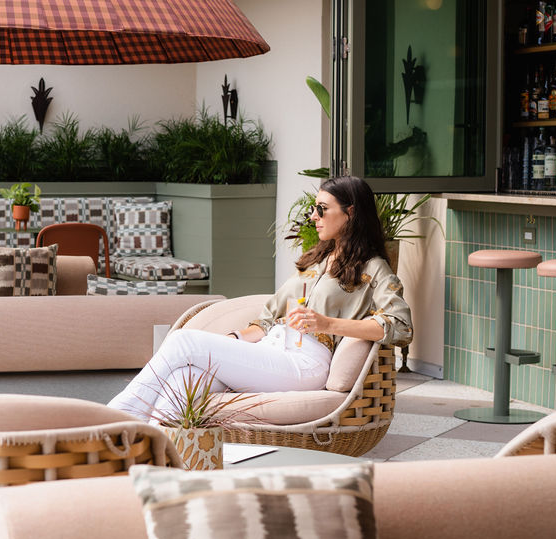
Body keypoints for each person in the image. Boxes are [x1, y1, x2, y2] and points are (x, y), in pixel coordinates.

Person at [108, 175, 413, 420]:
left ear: (351, 212)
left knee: (182, 341)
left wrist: (327, 323)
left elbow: (400, 325)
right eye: (314, 208)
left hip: (306, 362)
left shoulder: (374, 267)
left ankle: (112, 420)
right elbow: (266, 321)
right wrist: (233, 339)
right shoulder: (318, 259)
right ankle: (150, 456)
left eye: (322, 208)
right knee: (183, 383)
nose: (313, 216)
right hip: (271, 349)